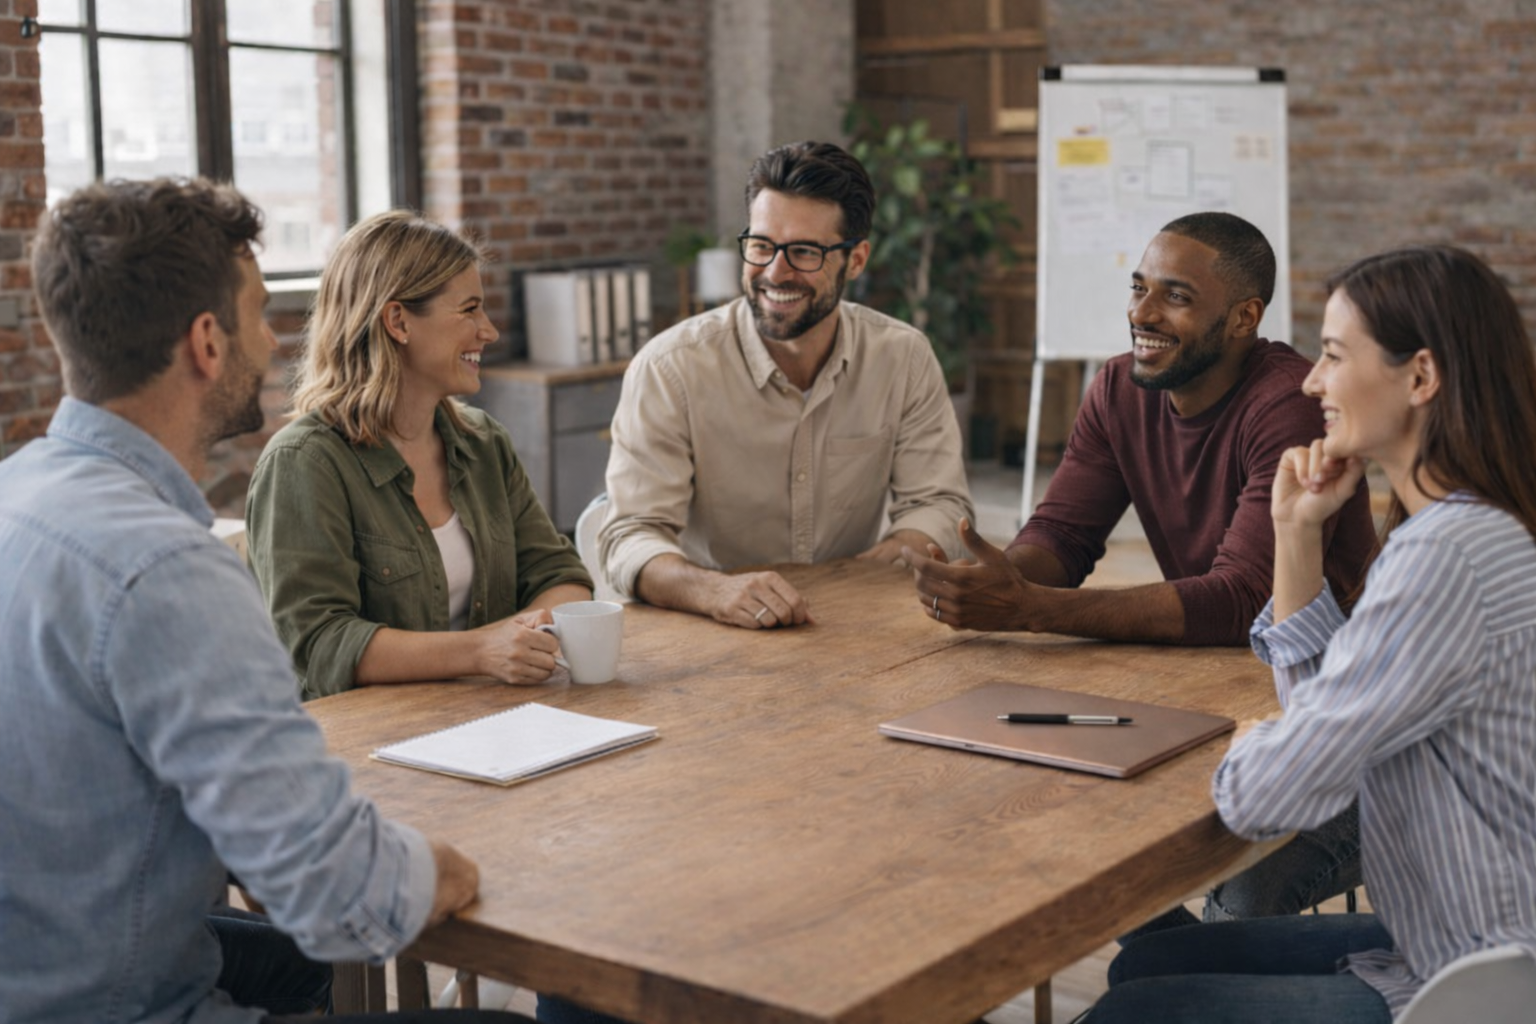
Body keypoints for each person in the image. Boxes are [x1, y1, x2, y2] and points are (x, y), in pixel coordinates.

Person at [0, 177, 531, 1022]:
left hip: (47, 962)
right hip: (125, 1000)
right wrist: (447, 869)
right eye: (257, 313)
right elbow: (339, 899)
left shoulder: (17, 493)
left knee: (294, 968)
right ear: (207, 343)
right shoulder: (168, 570)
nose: (275, 336)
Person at [1089, 244, 1536, 1023]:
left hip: (1477, 981)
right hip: (1443, 941)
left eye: (1333, 355)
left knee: (1135, 1010)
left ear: (1421, 378)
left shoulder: (1444, 558)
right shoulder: (1475, 528)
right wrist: (1296, 538)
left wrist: (1259, 743)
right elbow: (1330, 715)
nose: (1311, 380)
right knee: (1154, 959)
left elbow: (1270, 796)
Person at [908, 212, 1378, 930]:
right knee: (1063, 846)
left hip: (1341, 741)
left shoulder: (1286, 404)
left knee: (1242, 897)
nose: (1142, 314)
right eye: (1138, 288)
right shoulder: (1119, 389)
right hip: (1222, 701)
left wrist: (1030, 608)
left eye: (1175, 296)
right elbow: (1063, 536)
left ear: (1244, 316)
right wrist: (998, 581)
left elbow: (1245, 600)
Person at [595, 140, 974, 630]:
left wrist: (886, 561)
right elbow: (630, 535)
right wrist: (714, 590)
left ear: (855, 260)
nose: (775, 271)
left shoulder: (903, 357)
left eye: (803, 252)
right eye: (761, 245)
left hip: (849, 622)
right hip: (708, 626)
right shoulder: (670, 369)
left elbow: (940, 504)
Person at [246, 211, 593, 701]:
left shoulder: (483, 442)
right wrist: (480, 651)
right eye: (469, 310)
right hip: (369, 749)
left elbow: (563, 577)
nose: (488, 331)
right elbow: (320, 645)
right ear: (398, 321)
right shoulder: (305, 462)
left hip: (494, 720)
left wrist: (520, 636)